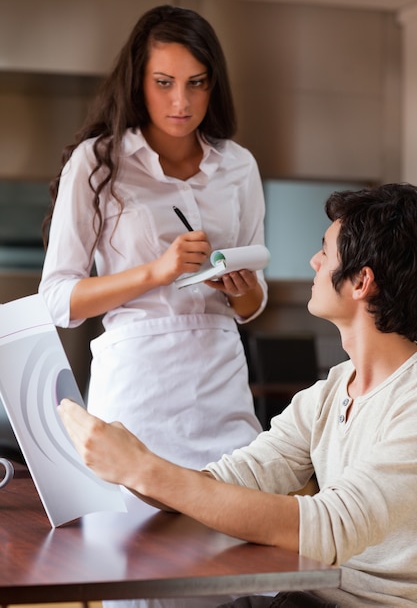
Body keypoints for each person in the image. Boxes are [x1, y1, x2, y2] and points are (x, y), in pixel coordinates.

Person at [59, 183, 417, 608]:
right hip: (307, 597)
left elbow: (327, 528)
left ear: (361, 281)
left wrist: (143, 469)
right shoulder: (328, 394)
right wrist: (124, 463)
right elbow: (229, 481)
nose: (314, 262)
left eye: (326, 251)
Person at [39, 6, 267, 471]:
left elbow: (251, 307)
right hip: (136, 392)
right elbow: (57, 301)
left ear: (213, 84)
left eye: (196, 82)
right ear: (138, 82)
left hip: (223, 385)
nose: (181, 101)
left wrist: (243, 290)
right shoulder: (96, 162)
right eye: (164, 82)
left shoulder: (239, 165)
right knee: (130, 538)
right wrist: (156, 272)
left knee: (237, 529)